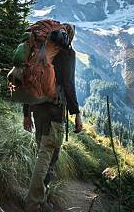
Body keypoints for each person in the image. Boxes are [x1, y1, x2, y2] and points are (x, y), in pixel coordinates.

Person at [22, 24, 83, 212]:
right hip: (54, 112)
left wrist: (26, 113)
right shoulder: (67, 54)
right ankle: (34, 203)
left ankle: (41, 199)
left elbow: (29, 81)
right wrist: (77, 114)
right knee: (47, 156)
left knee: (42, 152)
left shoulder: (40, 50)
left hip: (37, 109)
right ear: (68, 37)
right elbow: (69, 85)